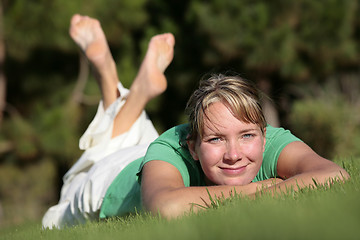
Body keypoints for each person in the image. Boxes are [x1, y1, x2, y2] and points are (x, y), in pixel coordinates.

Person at [42, 14, 349, 229]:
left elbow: (334, 176)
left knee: (122, 134)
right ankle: (112, 78)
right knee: (74, 189)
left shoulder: (268, 138)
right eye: (216, 139)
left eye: (246, 136)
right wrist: (264, 188)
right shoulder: (168, 149)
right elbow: (167, 209)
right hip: (109, 177)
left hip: (151, 159)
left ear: (264, 136)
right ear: (192, 145)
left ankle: (117, 82)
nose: (234, 154)